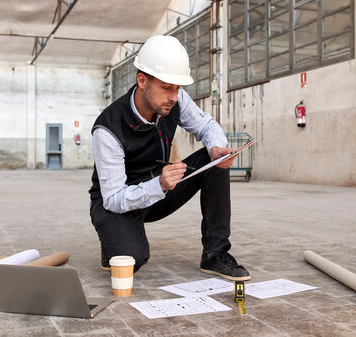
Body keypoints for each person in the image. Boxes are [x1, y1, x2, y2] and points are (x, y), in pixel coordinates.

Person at [88, 35, 250, 281]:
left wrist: (217, 147)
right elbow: (113, 198)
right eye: (166, 87)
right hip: (116, 204)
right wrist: (160, 184)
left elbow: (206, 126)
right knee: (132, 259)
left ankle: (216, 253)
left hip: (159, 187)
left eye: (177, 88)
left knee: (214, 158)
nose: (174, 96)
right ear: (142, 80)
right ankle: (113, 241)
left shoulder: (174, 99)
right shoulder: (108, 129)